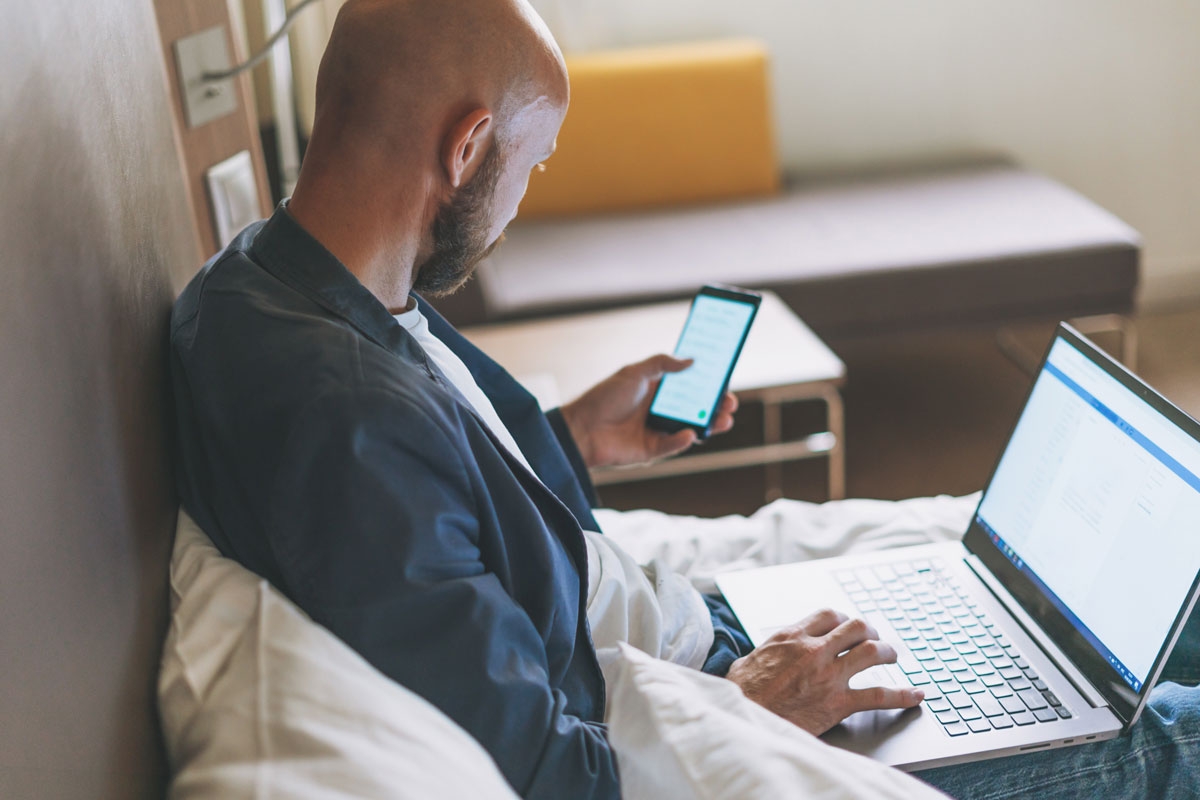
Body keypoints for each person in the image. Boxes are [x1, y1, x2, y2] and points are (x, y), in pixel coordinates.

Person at [169, 1, 1199, 797]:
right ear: (467, 146)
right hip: (710, 694)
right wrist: (744, 699)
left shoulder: (277, 275)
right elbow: (544, 760)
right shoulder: (340, 421)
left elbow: (443, 492)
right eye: (534, 162)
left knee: (1145, 602)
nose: (524, 199)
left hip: (695, 633)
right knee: (1174, 731)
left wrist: (572, 438)